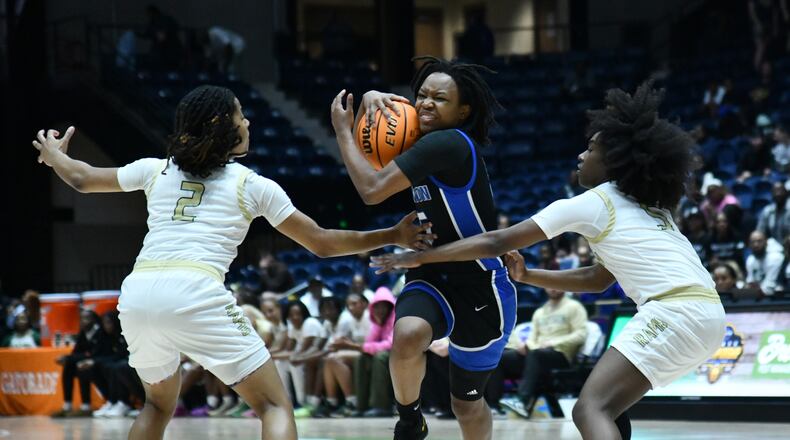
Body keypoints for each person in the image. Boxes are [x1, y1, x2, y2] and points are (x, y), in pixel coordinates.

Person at [31, 84, 433, 440]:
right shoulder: (251, 185)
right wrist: (392, 235)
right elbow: (323, 243)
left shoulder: (156, 169)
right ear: (223, 125)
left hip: (137, 295)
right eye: (241, 115)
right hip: (194, 290)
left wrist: (53, 156)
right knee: (273, 406)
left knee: (156, 406)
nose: (248, 122)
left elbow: (82, 178)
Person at [372, 82, 727, 440]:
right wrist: (527, 275)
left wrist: (422, 257)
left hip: (673, 312)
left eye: (591, 149)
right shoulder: (648, 207)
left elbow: (496, 241)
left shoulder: (596, 202)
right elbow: (598, 279)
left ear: (615, 161)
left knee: (589, 409)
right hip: (708, 315)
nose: (581, 156)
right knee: (611, 406)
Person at [331, 56, 514, 440]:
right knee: (408, 334)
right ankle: (410, 420)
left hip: (480, 283)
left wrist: (343, 131)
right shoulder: (420, 140)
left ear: (463, 111)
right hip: (431, 273)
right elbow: (388, 128)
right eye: (422, 95)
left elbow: (371, 190)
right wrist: (372, 99)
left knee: (466, 404)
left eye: (440, 98)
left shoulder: (449, 144)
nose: (426, 103)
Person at [497, 288, 588, 419]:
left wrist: (554, 342)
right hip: (537, 354)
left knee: (537, 354)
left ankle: (522, 401)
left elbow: (581, 335)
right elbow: (532, 338)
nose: (553, 288)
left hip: (561, 355)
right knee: (502, 358)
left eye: (556, 285)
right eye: (549, 285)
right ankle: (493, 405)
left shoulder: (574, 307)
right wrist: (527, 346)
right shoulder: (539, 312)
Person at [319, 292, 371, 417]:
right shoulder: (353, 319)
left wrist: (347, 344)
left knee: (334, 358)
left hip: (370, 352)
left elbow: (368, 344)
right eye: (348, 305)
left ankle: (352, 401)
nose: (351, 308)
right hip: (359, 351)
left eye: (354, 304)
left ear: (364, 304)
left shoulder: (368, 318)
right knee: (329, 359)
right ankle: (332, 402)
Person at [51, 310, 106, 417]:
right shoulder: (83, 333)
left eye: (86, 318)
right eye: (81, 319)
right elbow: (76, 352)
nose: (83, 321)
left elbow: (93, 354)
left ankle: (86, 406)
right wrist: (67, 358)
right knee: (68, 366)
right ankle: (67, 405)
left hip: (98, 363)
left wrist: (70, 358)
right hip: (86, 361)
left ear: (94, 320)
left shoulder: (100, 333)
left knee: (82, 367)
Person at [745, 230, 784, 296]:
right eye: (752, 242)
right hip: (757, 296)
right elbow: (750, 282)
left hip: (775, 297)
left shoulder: (776, 258)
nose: (756, 245)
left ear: (766, 242)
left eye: (759, 241)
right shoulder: (750, 260)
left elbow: (770, 285)